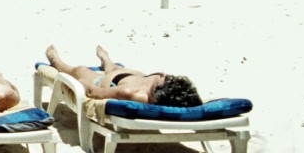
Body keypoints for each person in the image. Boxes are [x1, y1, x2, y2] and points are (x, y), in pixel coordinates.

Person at [43, 44, 202, 107]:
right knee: (114, 69)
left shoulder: (133, 94)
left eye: (165, 78)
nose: (164, 74)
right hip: (125, 77)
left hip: (103, 82)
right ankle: (106, 60)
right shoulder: (154, 90)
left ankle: (57, 62)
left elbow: (93, 93)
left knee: (79, 69)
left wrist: (80, 83)